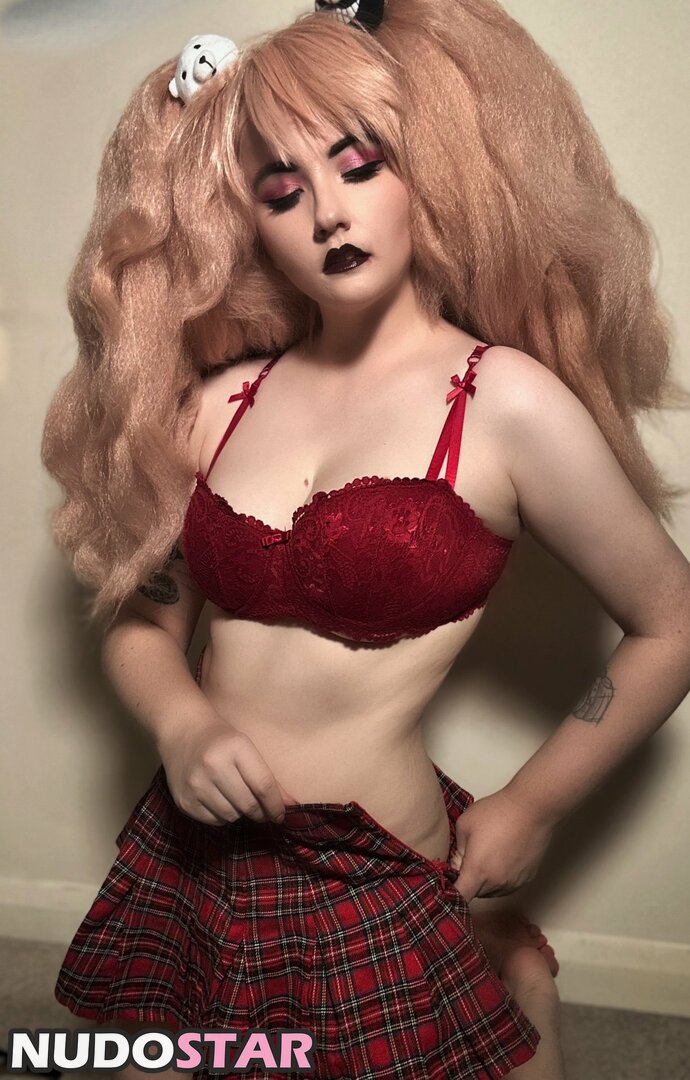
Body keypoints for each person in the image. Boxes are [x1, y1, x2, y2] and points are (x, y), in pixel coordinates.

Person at [41, 1, 690, 1077]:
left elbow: (673, 622)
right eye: (282, 191)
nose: (328, 214)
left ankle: (513, 983)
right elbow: (144, 623)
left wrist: (534, 804)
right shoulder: (220, 403)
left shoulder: (504, 404)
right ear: (248, 222)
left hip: (369, 864)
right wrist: (182, 724)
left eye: (359, 166)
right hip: (199, 849)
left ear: (428, 172)